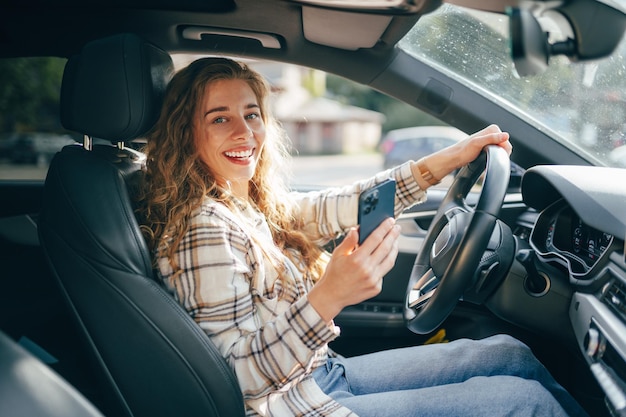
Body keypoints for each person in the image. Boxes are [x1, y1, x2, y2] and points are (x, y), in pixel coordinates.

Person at [136, 57, 588, 417]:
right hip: (290, 406)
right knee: (523, 402)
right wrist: (329, 297)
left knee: (509, 354)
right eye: (219, 119)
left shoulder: (247, 206)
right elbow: (236, 380)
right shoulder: (204, 231)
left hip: (318, 376)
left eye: (251, 114)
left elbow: (351, 203)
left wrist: (449, 159)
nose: (244, 132)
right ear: (186, 132)